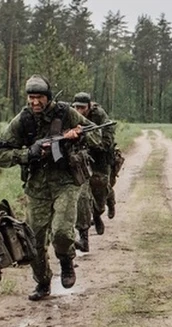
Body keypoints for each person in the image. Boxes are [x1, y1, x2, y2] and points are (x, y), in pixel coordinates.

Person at [0, 75, 99, 300]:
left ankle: (66, 260)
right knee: (35, 240)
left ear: (48, 97)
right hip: (37, 186)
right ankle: (43, 281)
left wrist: (76, 136)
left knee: (61, 230)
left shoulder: (65, 113)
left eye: (39, 97)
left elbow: (96, 134)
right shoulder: (23, 119)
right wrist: (26, 154)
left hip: (65, 182)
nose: (34, 102)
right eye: (31, 97)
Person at [71, 92, 118, 250]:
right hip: (81, 158)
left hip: (100, 156)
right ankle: (84, 237)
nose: (79, 111)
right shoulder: (70, 115)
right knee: (83, 196)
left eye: (82, 108)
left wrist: (88, 138)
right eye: (76, 107)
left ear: (89, 106)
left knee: (100, 189)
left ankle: (102, 209)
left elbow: (106, 141)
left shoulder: (99, 116)